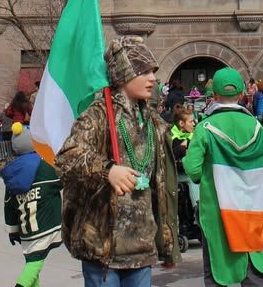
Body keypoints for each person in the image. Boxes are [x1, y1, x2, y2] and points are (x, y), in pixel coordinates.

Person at [54, 35, 180, 286]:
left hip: (142, 248)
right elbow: (67, 158)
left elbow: (162, 187)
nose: (152, 78)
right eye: (144, 71)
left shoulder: (154, 122)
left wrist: (168, 244)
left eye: (153, 72)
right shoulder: (98, 116)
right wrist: (107, 170)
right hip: (103, 249)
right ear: (123, 73)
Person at [183, 67, 263, 287]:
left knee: (216, 265)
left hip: (216, 210)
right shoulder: (256, 127)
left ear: (214, 96)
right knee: (252, 261)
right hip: (250, 207)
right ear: (242, 94)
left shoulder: (204, 127)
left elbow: (193, 168)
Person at [3, 122, 63, 287]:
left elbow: (9, 205)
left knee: (32, 263)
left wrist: (12, 230)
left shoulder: (12, 174)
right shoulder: (44, 168)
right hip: (45, 226)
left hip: (26, 229)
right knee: (34, 264)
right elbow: (62, 181)